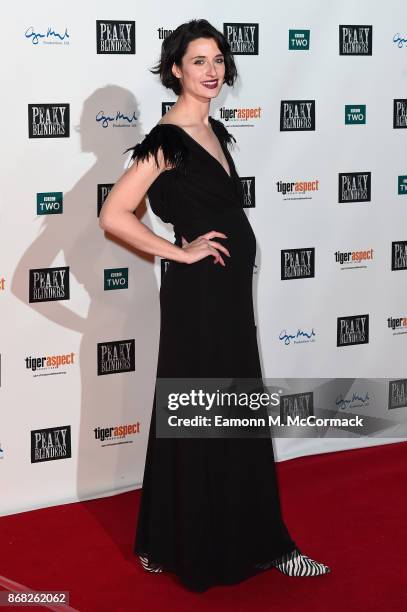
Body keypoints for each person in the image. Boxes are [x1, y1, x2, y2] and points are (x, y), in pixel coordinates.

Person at [99, 18, 331, 592]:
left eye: (218, 60)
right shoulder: (167, 139)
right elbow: (113, 216)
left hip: (227, 295)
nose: (212, 70)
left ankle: (260, 539)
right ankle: (182, 543)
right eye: (198, 60)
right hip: (197, 297)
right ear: (176, 69)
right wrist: (176, 254)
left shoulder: (216, 131)